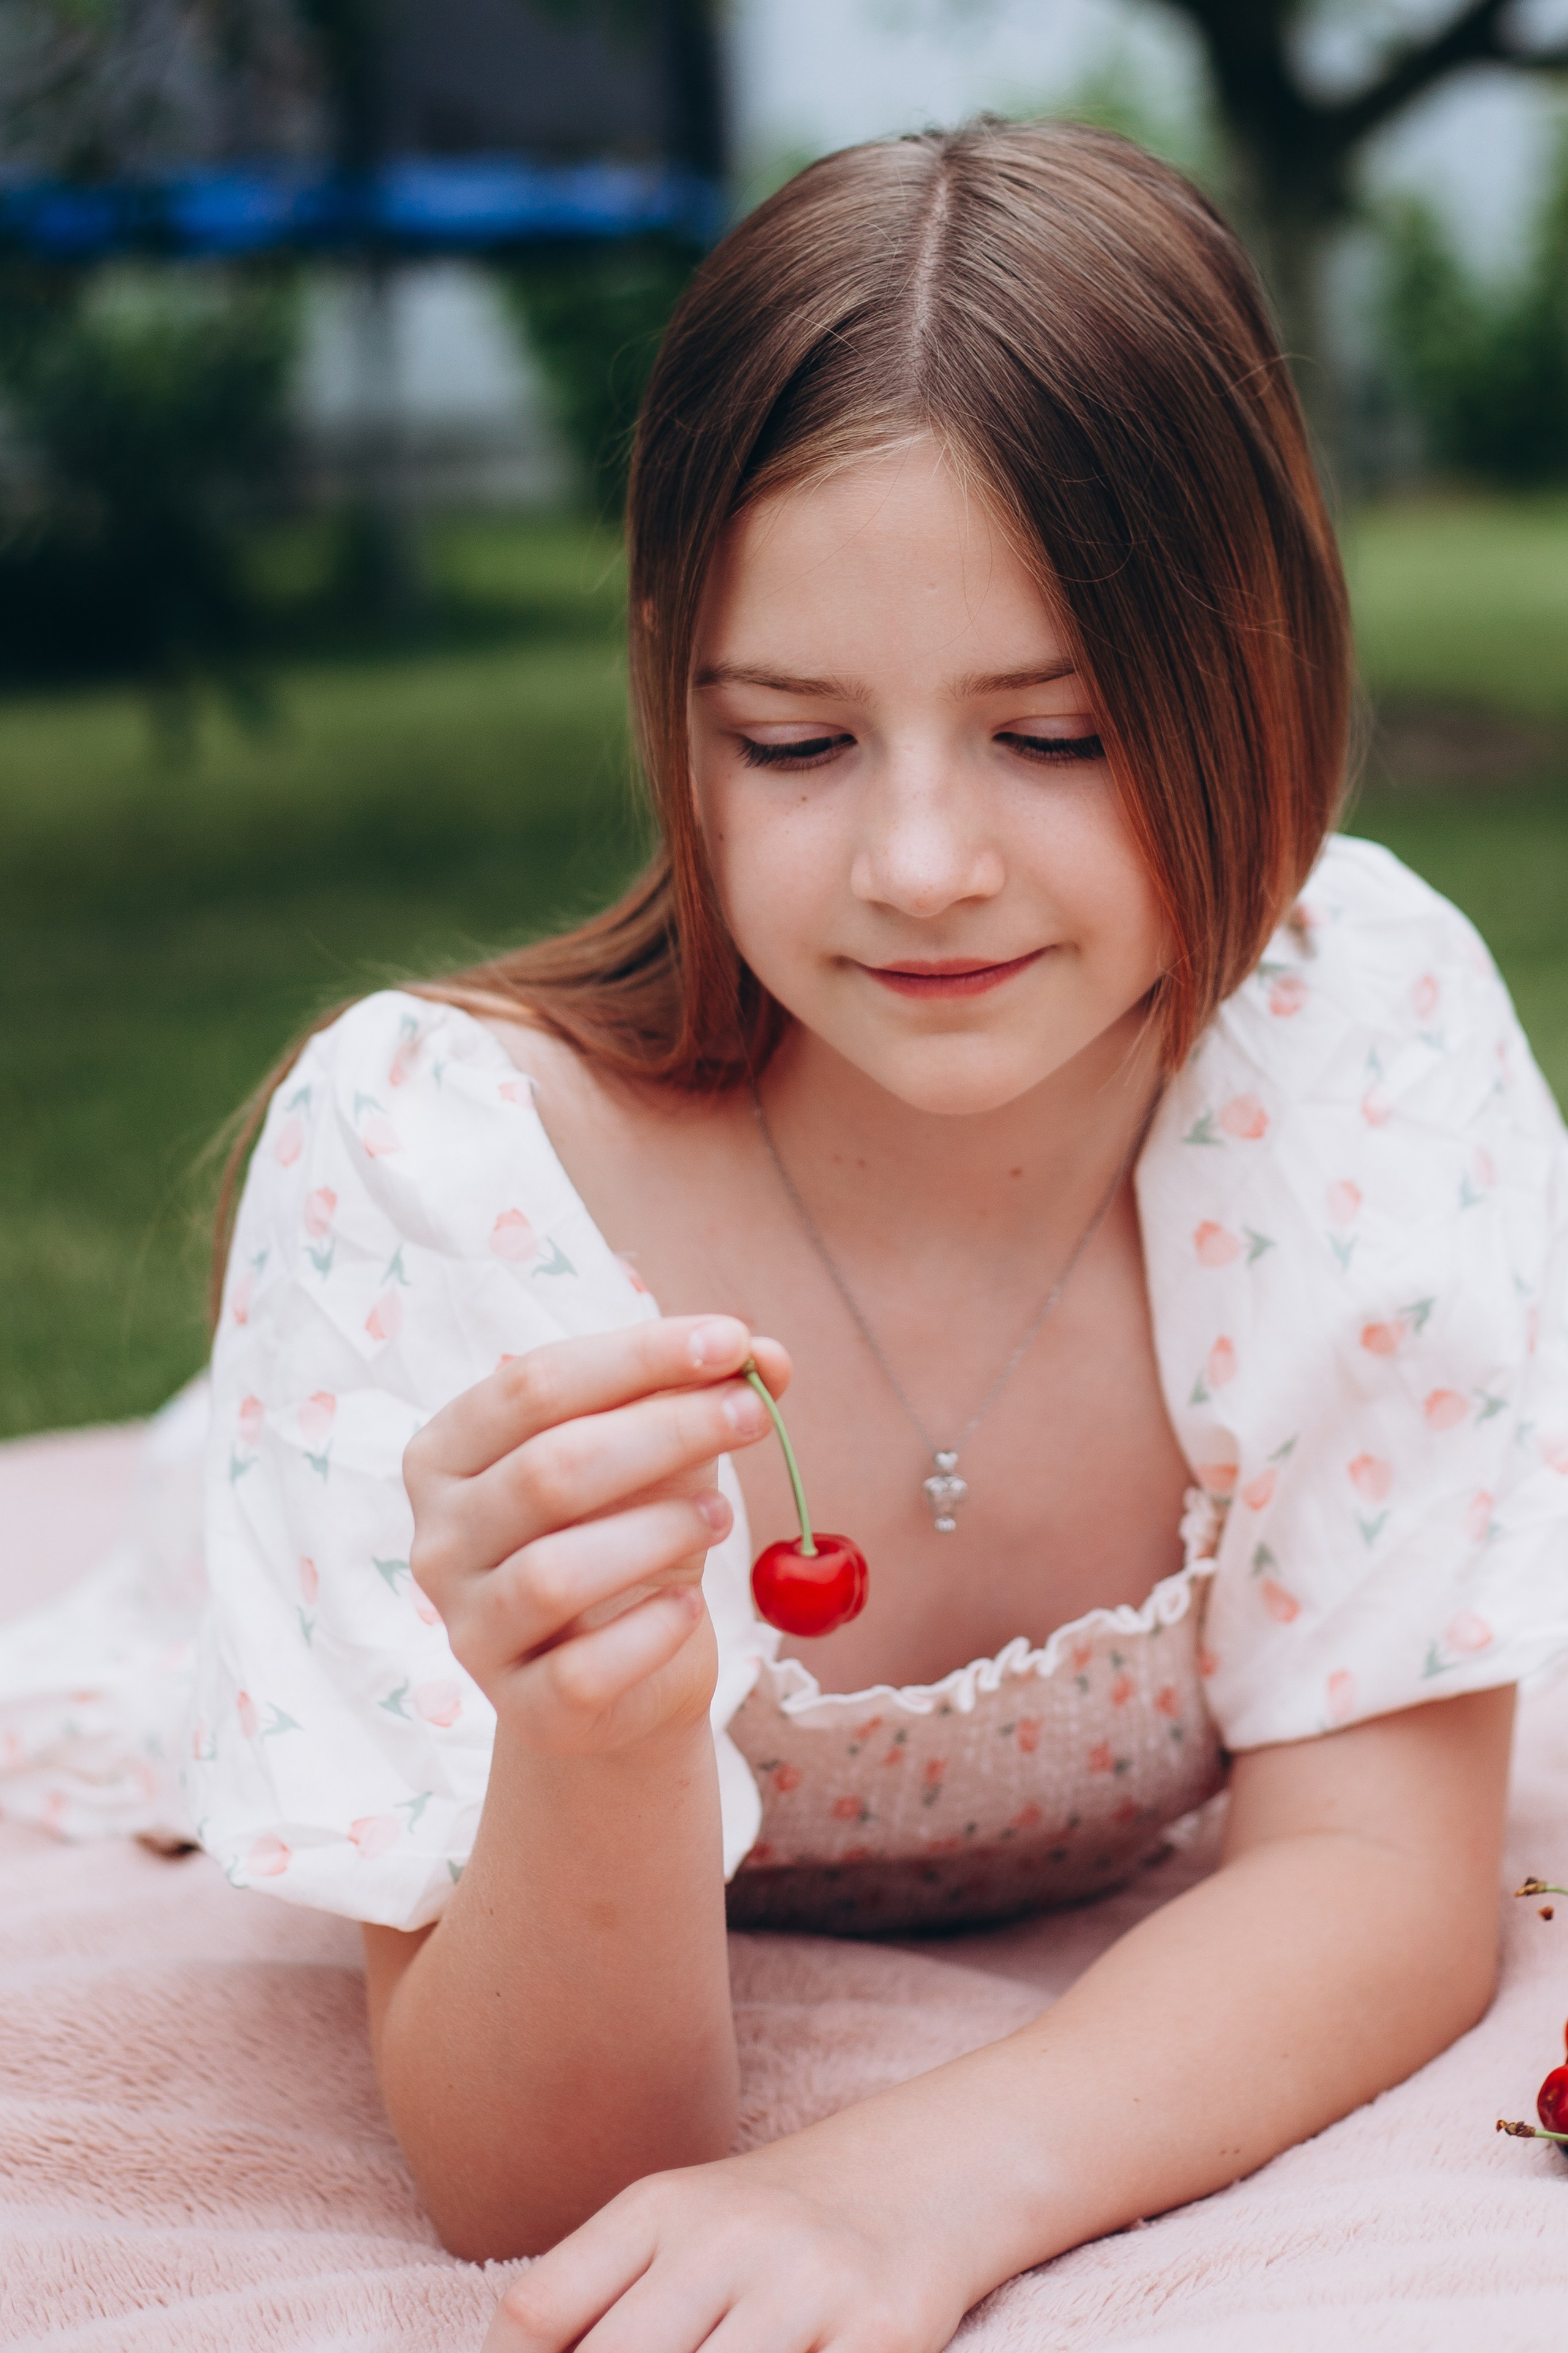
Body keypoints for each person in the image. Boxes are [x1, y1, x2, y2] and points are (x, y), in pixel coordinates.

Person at [151, 119, 1568, 2348]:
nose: (922, 861)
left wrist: (924, 2175)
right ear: (673, 699)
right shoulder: (450, 1177)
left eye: (1060, 729)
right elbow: (547, 2187)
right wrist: (595, 1755)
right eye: (797, 742)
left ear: (1266, 666)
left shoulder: (1346, 1044)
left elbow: (1383, 1863)